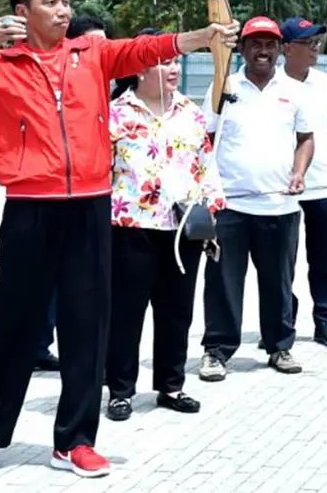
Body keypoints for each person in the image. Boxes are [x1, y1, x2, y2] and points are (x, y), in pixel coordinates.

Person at [0, 0, 238, 484]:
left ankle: (76, 443)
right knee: (14, 326)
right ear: (21, 12)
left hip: (91, 208)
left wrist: (202, 37)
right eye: (50, 2)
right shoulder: (0, 63)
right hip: (29, 208)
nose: (63, 10)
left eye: (66, 0)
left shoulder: (91, 55)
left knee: (87, 327)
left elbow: (143, 50)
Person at [103, 28, 226, 422]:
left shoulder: (189, 111)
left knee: (176, 311)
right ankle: (119, 390)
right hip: (131, 226)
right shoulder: (117, 114)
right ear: (139, 67)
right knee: (126, 312)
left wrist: (212, 208)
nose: (172, 68)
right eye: (163, 61)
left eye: (175, 61)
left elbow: (206, 164)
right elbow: (101, 171)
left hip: (182, 227)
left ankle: (171, 385)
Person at [198, 16, 316, 381]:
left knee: (279, 281)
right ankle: (216, 351)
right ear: (242, 49)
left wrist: (299, 173)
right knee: (222, 283)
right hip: (230, 206)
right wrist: (208, 190)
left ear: (280, 49)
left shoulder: (294, 90)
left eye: (269, 44)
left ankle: (279, 346)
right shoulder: (224, 85)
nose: (262, 51)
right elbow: (205, 139)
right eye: (254, 44)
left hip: (280, 206)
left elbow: (306, 139)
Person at [34, 15, 110, 373]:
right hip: (55, 202)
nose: (101, 51)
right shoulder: (58, 88)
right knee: (46, 280)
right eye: (93, 44)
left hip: (102, 202)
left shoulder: (118, 91)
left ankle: (85, 357)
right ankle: (35, 343)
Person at [279, 17, 327, 349]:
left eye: (317, 42)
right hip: (281, 188)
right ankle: (281, 321)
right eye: (308, 43)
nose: (315, 48)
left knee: (323, 259)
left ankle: (325, 320)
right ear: (288, 48)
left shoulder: (326, 83)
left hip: (323, 185)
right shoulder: (273, 83)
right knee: (281, 260)